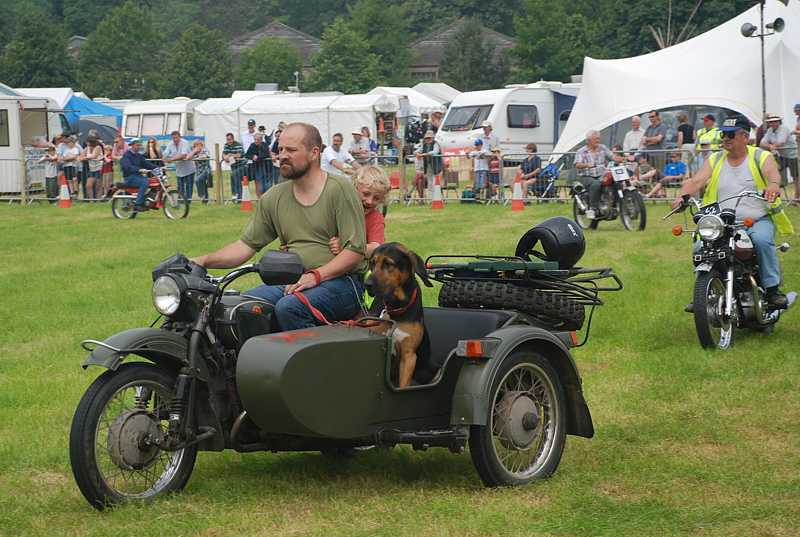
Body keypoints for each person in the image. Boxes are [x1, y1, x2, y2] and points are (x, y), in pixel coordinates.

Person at [191, 123, 367, 331]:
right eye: (280, 149)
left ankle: (305, 363)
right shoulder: (274, 197)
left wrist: (315, 276)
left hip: (342, 284)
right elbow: (244, 247)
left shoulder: (340, 189)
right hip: (294, 281)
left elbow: (355, 251)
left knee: (290, 308)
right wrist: (201, 261)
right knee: (239, 307)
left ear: (314, 153)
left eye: (291, 150)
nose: (282, 155)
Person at [673, 115, 793, 308]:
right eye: (723, 134)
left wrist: (772, 186)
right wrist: (681, 197)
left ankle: (772, 290)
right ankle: (704, 293)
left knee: (762, 241)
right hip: (722, 222)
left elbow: (773, 175)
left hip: (756, 220)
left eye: (730, 134)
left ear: (745, 137)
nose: (725, 139)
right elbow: (696, 181)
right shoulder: (715, 158)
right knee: (699, 248)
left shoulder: (760, 156)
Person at [330, 165, 390, 258]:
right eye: (366, 194)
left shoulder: (375, 218)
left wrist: (348, 249)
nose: (369, 201)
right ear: (353, 188)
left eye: (376, 198)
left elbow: (376, 248)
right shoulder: (339, 208)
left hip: (355, 267)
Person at [575, 130, 613, 219]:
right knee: (596, 184)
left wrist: (624, 158)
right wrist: (587, 165)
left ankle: (613, 204)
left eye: (598, 138)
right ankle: (593, 208)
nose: (598, 140)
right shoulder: (581, 151)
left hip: (601, 175)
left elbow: (612, 156)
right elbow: (577, 164)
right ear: (588, 140)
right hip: (585, 176)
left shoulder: (602, 148)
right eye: (595, 139)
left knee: (613, 180)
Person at [120, 139, 158, 215]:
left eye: (139, 145)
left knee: (154, 182)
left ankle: (150, 202)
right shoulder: (126, 155)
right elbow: (127, 167)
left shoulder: (138, 155)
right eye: (137, 145)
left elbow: (147, 164)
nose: (139, 147)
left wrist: (157, 167)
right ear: (132, 145)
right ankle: (138, 204)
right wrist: (139, 169)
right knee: (145, 182)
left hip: (138, 177)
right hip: (129, 177)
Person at [760, 114, 798, 189]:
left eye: (775, 121)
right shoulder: (770, 130)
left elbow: (781, 142)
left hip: (792, 155)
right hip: (781, 155)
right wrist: (771, 146)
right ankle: (781, 188)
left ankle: (797, 196)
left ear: (779, 122)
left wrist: (771, 146)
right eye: (771, 122)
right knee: (775, 171)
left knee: (796, 176)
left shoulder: (784, 128)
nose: (773, 123)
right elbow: (762, 143)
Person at [163, 131, 196, 204]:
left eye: (176, 138)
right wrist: (164, 157)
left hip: (189, 169)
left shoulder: (185, 143)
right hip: (179, 169)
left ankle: (188, 202)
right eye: (173, 138)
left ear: (180, 137)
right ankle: (180, 201)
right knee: (180, 187)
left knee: (188, 186)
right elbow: (165, 153)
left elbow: (183, 155)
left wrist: (171, 159)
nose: (175, 139)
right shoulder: (170, 144)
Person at [417, 130, 442, 201]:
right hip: (428, 166)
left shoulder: (436, 144)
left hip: (436, 166)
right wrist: (417, 154)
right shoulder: (424, 145)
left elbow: (435, 152)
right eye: (427, 138)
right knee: (430, 183)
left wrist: (424, 154)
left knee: (435, 183)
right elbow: (417, 151)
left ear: (432, 138)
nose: (428, 139)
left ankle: (436, 199)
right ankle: (431, 199)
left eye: (429, 138)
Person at [245, 133, 272, 197]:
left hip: (266, 167)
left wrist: (258, 157)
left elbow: (266, 154)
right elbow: (247, 155)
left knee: (267, 184)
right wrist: (252, 156)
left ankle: (267, 197)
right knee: (259, 182)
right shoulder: (252, 145)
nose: (256, 141)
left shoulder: (265, 145)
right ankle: (259, 198)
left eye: (257, 140)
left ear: (261, 140)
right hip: (257, 168)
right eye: (255, 139)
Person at [223, 132, 245, 202]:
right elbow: (224, 154)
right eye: (227, 139)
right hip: (233, 166)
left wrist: (230, 155)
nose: (228, 141)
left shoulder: (238, 145)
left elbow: (239, 155)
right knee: (234, 178)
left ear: (233, 139)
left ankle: (238, 196)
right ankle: (235, 195)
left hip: (242, 165)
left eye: (229, 139)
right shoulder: (226, 145)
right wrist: (225, 157)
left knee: (234, 176)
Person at [81, 136, 103, 201]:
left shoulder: (98, 147)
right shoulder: (86, 148)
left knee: (98, 186)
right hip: (92, 169)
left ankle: (98, 200)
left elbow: (94, 156)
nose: (86, 143)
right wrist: (82, 157)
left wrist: (85, 158)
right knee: (88, 185)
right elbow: (81, 156)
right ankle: (91, 200)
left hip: (99, 168)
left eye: (87, 142)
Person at [190, 140, 212, 204]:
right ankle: (205, 200)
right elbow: (190, 157)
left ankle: (201, 195)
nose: (196, 147)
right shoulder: (194, 152)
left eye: (197, 145)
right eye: (195, 145)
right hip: (199, 171)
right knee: (203, 185)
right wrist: (194, 153)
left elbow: (205, 156)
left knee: (197, 180)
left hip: (206, 170)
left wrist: (197, 156)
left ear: (201, 145)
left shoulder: (205, 150)